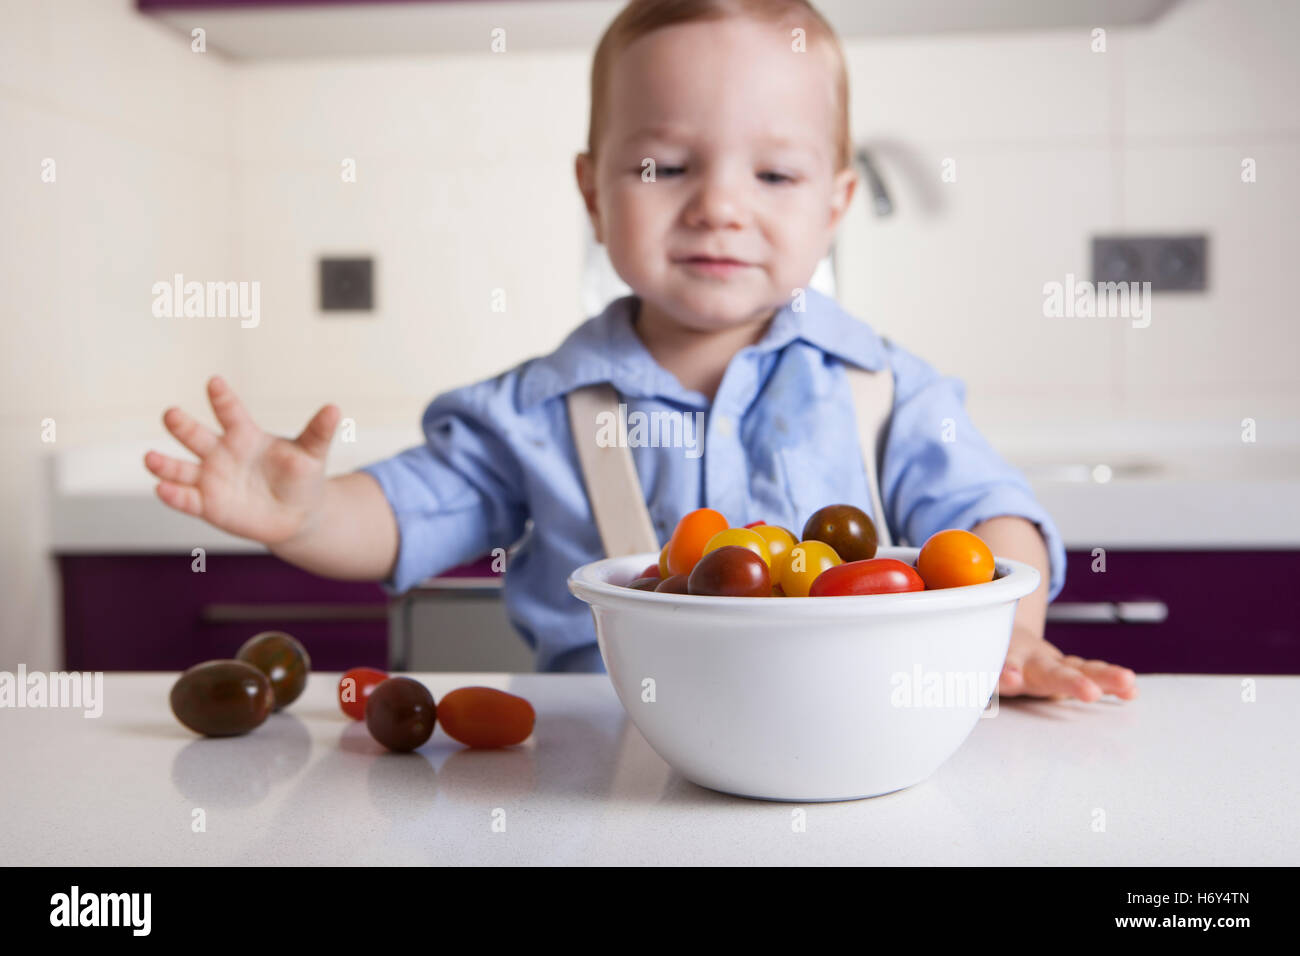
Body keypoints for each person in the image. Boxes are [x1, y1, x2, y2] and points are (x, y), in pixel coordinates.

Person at [145, 0, 1136, 702]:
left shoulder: (883, 389)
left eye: (775, 171)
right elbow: (403, 516)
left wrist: (1006, 630)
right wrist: (308, 511)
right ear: (592, 191)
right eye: (664, 164)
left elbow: (989, 516)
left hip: (845, 749)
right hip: (598, 761)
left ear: (834, 205)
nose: (718, 204)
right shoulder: (532, 408)